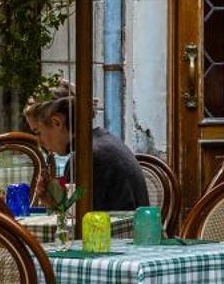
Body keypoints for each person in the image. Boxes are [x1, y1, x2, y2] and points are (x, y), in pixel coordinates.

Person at [23, 83, 146, 212]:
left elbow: (77, 226)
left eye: (37, 132)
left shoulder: (86, 157)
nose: (39, 141)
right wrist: (55, 204)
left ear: (57, 122)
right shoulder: (105, 142)